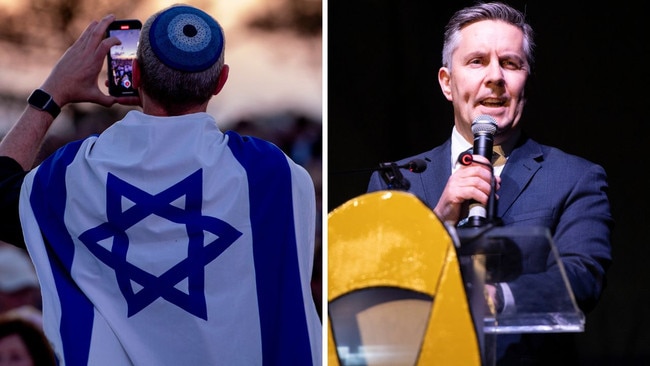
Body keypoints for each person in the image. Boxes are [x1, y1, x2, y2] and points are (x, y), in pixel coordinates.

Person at [0, 4, 321, 366]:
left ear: (134, 73)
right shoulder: (272, 175)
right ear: (220, 81)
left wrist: (53, 93)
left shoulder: (74, 177)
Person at [367, 2, 613, 364]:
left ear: (525, 81)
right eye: (477, 61)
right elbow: (373, 290)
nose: (495, 76)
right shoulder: (395, 182)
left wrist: (495, 298)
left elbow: (582, 278)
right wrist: (440, 218)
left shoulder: (575, 178)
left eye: (511, 63)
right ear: (447, 83)